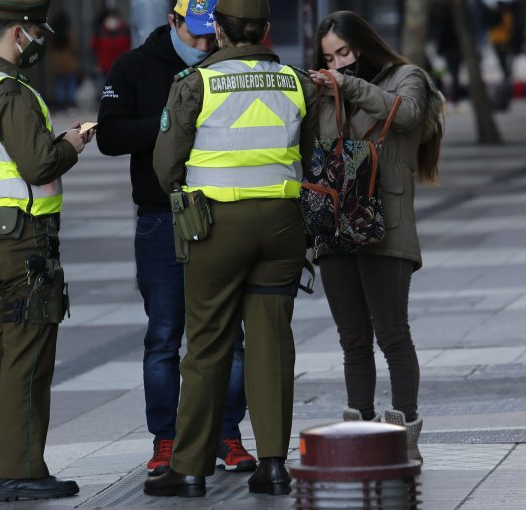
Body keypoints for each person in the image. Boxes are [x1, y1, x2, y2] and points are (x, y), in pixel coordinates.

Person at [145, 0, 318, 497]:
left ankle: (190, 467)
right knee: (271, 343)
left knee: (207, 343)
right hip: (283, 224)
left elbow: (165, 166)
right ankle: (273, 465)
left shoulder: (196, 83)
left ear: (218, 30)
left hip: (215, 226)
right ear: (265, 29)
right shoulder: (295, 80)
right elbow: (307, 154)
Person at [96, 0, 257, 478]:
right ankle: (166, 439)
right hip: (160, 216)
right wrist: (172, 123)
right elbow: (109, 136)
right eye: (198, 35)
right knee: (164, 335)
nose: (207, 44)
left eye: (213, 35)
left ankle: (227, 432)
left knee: (230, 332)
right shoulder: (133, 67)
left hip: (220, 210)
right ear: (173, 22)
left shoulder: (227, 66)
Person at [0, 0, 95, 502]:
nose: (39, 41)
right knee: (28, 355)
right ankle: (22, 469)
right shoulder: (9, 90)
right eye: (36, 31)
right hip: (23, 240)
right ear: (18, 31)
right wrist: (71, 143)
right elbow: (37, 165)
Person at [308, 10, 443, 465]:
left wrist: (346, 86)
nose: (339, 63)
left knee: (391, 333)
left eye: (344, 53)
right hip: (334, 225)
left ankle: (404, 432)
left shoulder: (407, 77)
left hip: (386, 223)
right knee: (352, 338)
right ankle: (360, 432)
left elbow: (404, 117)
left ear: (364, 45)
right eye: (329, 57)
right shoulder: (323, 90)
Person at [90, 7, 132, 107]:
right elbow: (93, 48)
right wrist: (96, 63)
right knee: (102, 87)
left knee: (120, 87)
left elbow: (129, 46)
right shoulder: (100, 31)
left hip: (120, 66)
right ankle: (101, 105)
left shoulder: (125, 30)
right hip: (103, 66)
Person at [48, 11, 80, 111]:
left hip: (56, 62)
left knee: (59, 84)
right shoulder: (69, 32)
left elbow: (50, 46)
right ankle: (71, 103)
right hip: (69, 61)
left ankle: (60, 104)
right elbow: (75, 47)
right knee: (71, 83)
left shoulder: (52, 33)